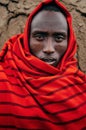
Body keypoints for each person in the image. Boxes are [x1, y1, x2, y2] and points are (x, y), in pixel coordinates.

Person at [0, 0, 86, 129]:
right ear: (27, 38)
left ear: (70, 42)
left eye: (59, 38)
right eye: (39, 37)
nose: (49, 48)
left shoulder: (80, 87)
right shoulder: (4, 77)